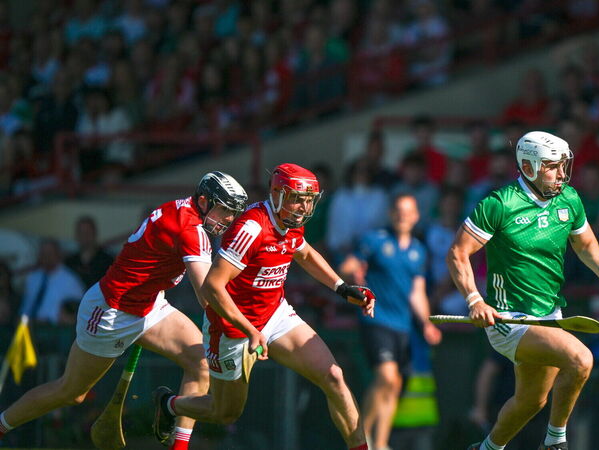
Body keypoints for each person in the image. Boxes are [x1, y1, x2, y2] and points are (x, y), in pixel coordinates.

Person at [0, 171, 248, 450]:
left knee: (200, 363)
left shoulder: (181, 208)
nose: (229, 219)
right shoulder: (191, 230)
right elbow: (207, 297)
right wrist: (248, 327)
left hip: (149, 305)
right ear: (203, 201)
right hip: (111, 312)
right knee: (71, 392)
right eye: (224, 210)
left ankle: (178, 443)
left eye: (233, 213)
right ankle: (1, 425)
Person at [154, 163, 375, 450]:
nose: (304, 207)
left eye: (309, 200)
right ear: (277, 195)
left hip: (275, 315)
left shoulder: (291, 221)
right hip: (232, 328)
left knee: (333, 376)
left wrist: (342, 288)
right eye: (297, 199)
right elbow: (212, 287)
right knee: (225, 412)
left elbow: (304, 253)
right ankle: (169, 404)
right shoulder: (252, 228)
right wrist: (249, 330)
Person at [447, 131, 599, 450]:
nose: (562, 174)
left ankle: (486, 448)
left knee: (531, 401)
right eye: (552, 166)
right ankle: (555, 442)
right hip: (508, 319)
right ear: (528, 167)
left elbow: (584, 243)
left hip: (549, 315)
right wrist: (475, 300)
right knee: (581, 359)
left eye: (564, 165)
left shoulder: (569, 198)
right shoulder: (500, 204)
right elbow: (457, 253)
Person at [340, 193, 442, 450]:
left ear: (416, 216)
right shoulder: (374, 240)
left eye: (408, 211)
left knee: (394, 383)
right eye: (398, 210)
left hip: (403, 326)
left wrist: (426, 324)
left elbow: (417, 293)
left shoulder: (418, 251)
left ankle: (380, 443)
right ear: (390, 213)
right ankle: (362, 439)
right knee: (386, 377)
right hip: (376, 320)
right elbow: (347, 267)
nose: (402, 216)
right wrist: (353, 274)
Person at [19, 239, 85, 324]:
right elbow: (26, 306)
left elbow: (81, 311)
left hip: (54, 328)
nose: (46, 257)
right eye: (43, 253)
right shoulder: (33, 278)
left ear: (58, 255)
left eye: (49, 253)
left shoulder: (71, 280)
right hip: (27, 325)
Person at [65, 215, 115, 288]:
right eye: (81, 233)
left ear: (95, 234)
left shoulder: (107, 261)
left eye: (88, 232)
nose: (84, 236)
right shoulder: (69, 262)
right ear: (76, 235)